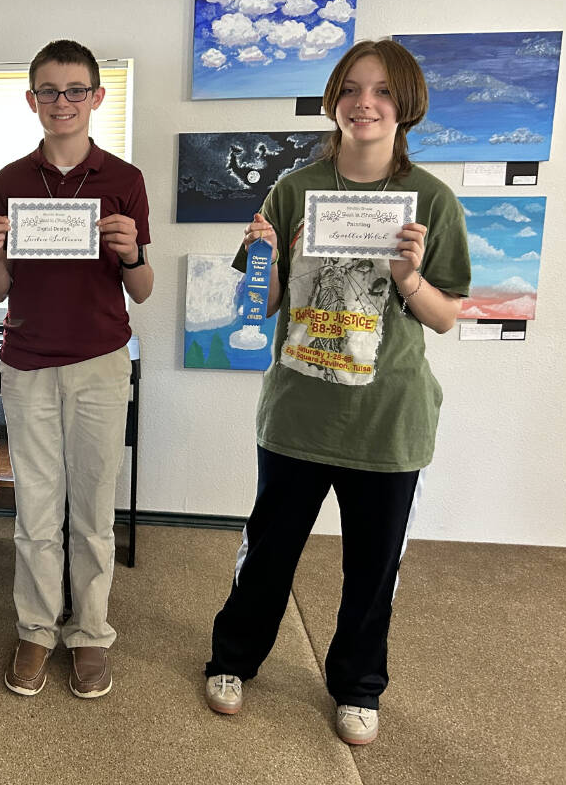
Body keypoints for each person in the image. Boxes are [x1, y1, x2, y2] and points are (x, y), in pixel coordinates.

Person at [202, 39, 470, 745]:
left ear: (404, 105)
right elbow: (259, 307)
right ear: (334, 99)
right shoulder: (293, 189)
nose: (365, 103)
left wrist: (410, 276)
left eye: (382, 91)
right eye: (351, 88)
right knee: (268, 551)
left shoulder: (433, 200)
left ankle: (358, 685)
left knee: (373, 568)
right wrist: (268, 257)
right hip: (298, 413)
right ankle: (232, 660)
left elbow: (447, 316)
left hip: (388, 419)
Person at [0, 39, 153, 699]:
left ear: (97, 97)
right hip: (26, 365)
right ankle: (35, 629)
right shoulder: (10, 181)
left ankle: (91, 633)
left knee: (93, 508)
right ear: (31, 100)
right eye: (48, 91)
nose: (62, 102)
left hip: (102, 364)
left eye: (75, 90)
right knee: (36, 508)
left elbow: (143, 290)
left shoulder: (124, 179)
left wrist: (132, 251)